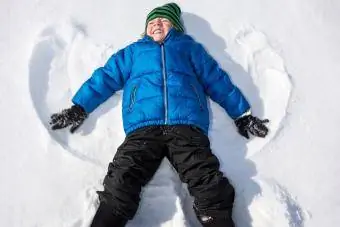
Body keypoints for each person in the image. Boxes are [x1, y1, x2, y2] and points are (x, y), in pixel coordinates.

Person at [49, 3, 269, 227]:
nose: (156, 25)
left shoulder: (189, 48)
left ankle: (215, 218)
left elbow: (217, 80)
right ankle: (107, 220)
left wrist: (241, 113)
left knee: (204, 175)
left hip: (186, 126)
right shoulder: (133, 52)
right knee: (124, 174)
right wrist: (80, 106)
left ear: (175, 26)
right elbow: (106, 77)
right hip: (143, 127)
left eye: (163, 21)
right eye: (152, 22)